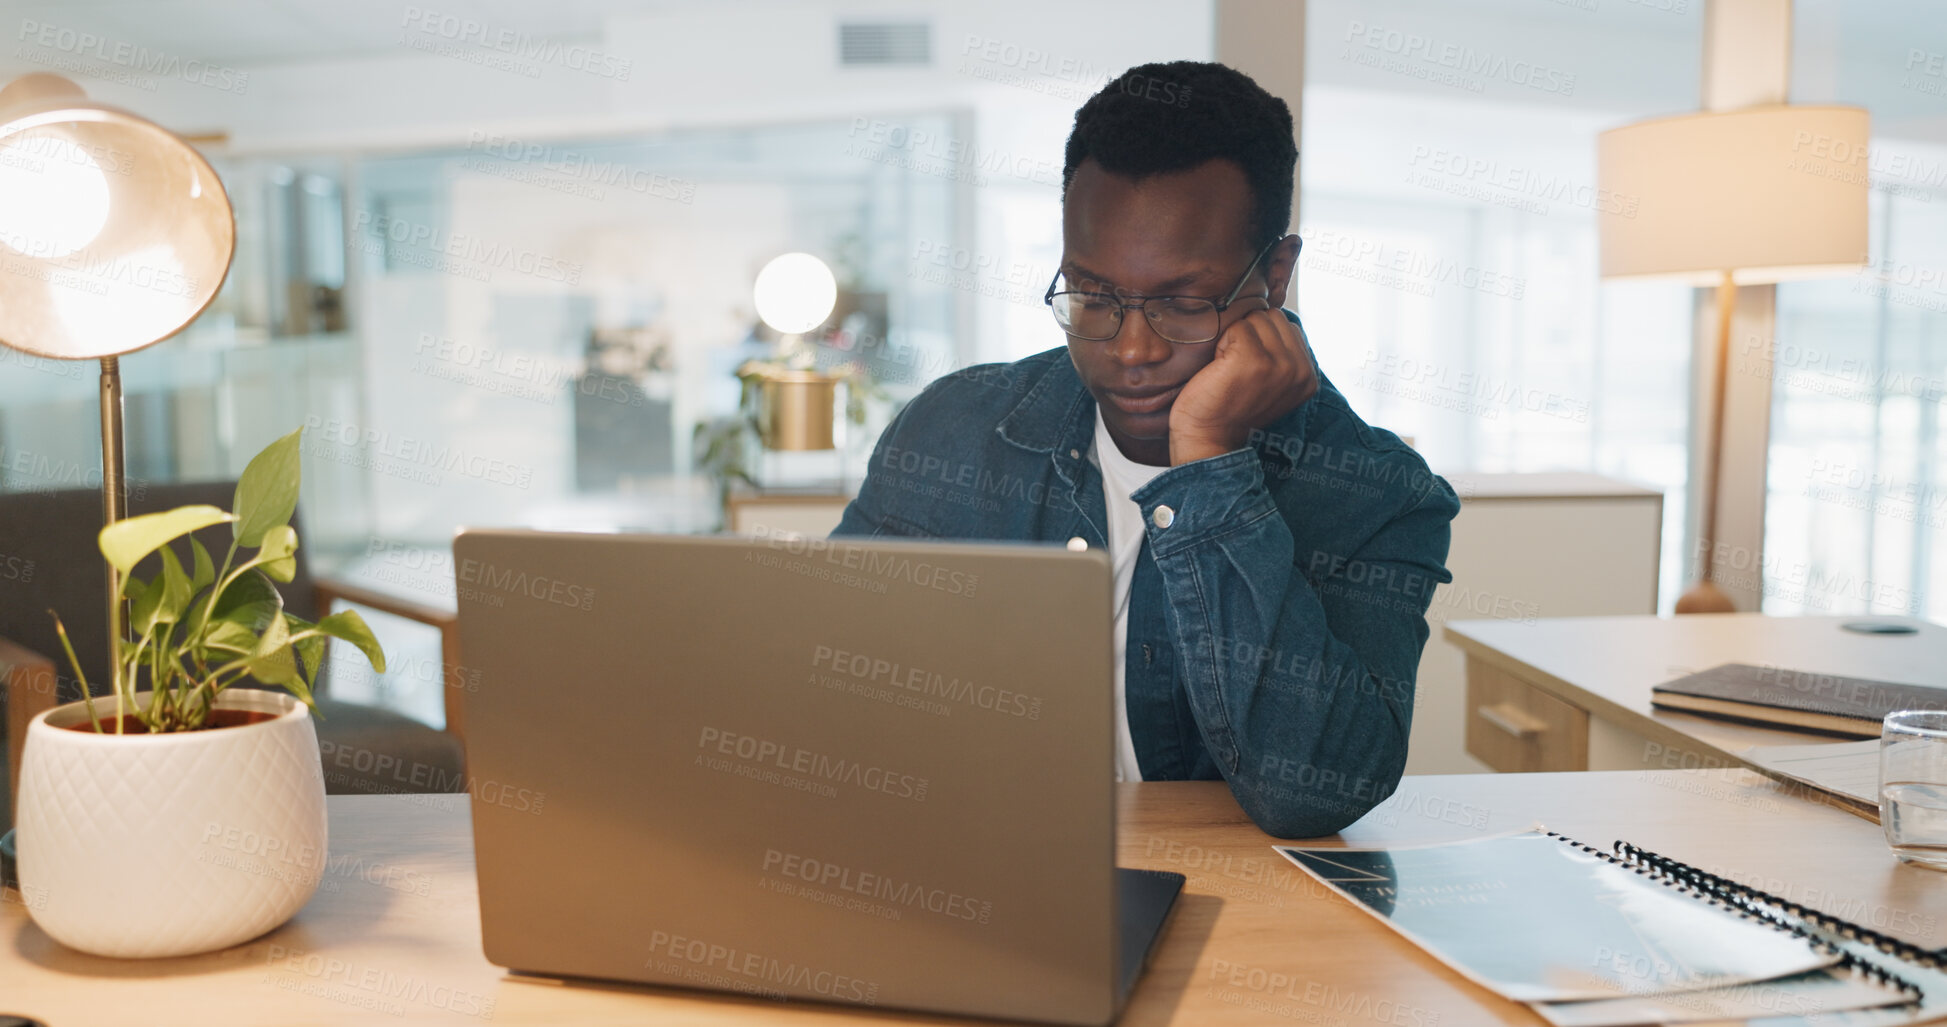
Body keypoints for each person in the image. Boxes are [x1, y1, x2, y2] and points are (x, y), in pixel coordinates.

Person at [832, 60, 1459, 839]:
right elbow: (827, 695)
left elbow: (1316, 792)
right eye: (1094, 296)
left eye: (1181, 303)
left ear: (1275, 275)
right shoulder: (953, 429)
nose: (1129, 350)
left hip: (1237, 918)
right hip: (967, 876)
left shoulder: (1377, 494)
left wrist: (1208, 464)